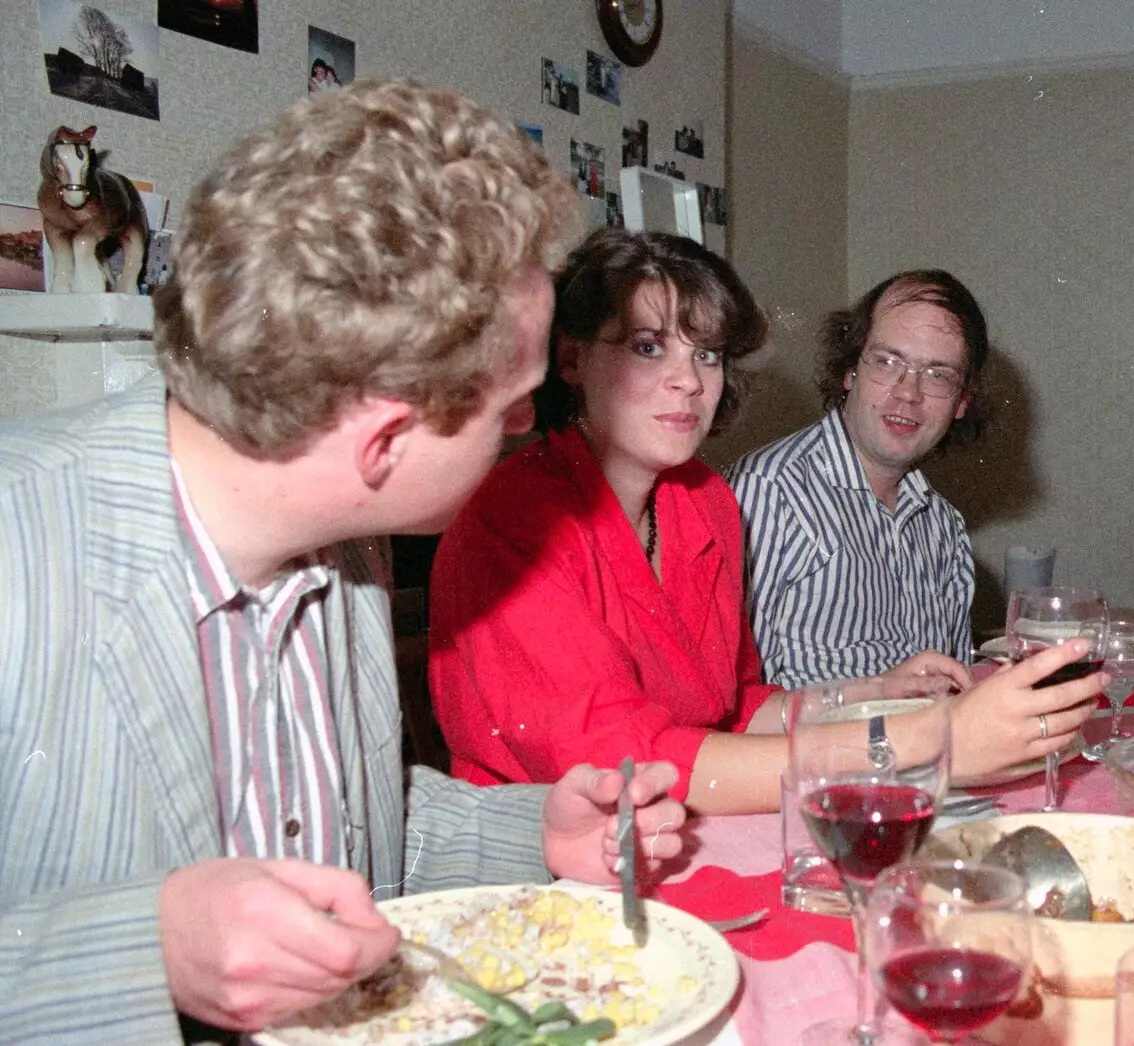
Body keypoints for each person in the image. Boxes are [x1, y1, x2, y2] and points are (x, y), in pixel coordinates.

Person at [0, 80, 685, 1043]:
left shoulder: (344, 542)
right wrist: (138, 955)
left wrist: (529, 832)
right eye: (512, 404)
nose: (530, 425)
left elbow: (344, 831)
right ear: (385, 438)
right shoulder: (19, 551)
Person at [429, 233, 1104, 815]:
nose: (688, 381)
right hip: (548, 880)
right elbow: (628, 762)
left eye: (708, 354)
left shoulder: (700, 501)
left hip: (677, 834)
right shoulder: (514, 520)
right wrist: (933, 737)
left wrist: (867, 693)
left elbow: (738, 707)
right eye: (646, 347)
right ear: (572, 360)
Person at [726, 269, 987, 690]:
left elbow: (954, 697)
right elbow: (732, 703)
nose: (908, 393)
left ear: (962, 402)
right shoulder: (769, 492)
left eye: (938, 374)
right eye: (887, 362)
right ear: (850, 371)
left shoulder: (945, 528)